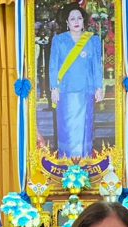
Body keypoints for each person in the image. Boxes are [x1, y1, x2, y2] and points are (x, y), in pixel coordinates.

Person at [48, 4, 104, 158]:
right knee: (67, 129)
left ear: (83, 20)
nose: (76, 21)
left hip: (86, 91)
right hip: (65, 92)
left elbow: (96, 66)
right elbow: (53, 66)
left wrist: (99, 87)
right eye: (72, 19)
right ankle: (66, 164)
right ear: (67, 22)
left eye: (79, 18)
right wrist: (54, 88)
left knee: (85, 129)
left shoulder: (92, 40)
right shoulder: (59, 40)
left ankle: (85, 163)